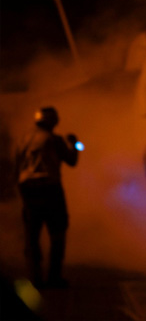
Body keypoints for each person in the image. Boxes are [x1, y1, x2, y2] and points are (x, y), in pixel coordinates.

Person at [14, 106, 79, 288]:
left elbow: (16, 165)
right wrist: (74, 145)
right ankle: (54, 277)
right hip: (50, 189)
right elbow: (72, 161)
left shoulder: (23, 139)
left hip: (28, 190)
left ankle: (34, 277)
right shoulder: (54, 139)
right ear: (53, 121)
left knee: (31, 235)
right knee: (57, 233)